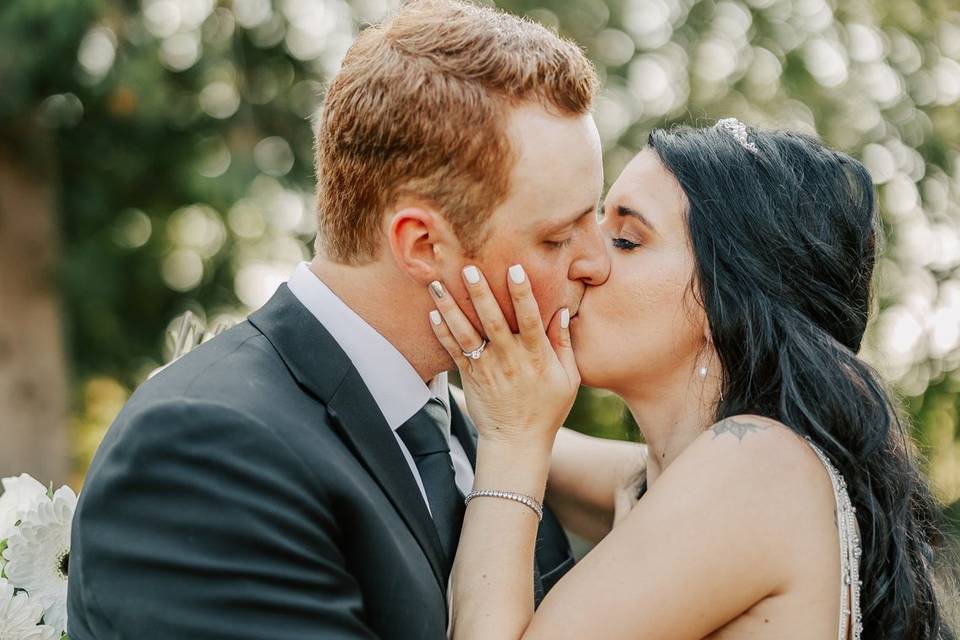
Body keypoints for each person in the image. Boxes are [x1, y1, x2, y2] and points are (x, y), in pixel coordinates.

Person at [66, 2, 610, 638]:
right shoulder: (206, 451)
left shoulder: (474, 418)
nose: (597, 262)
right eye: (556, 238)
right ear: (422, 245)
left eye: (594, 218)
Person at [428, 121, 957, 639]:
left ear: (724, 298)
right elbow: (524, 438)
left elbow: (521, 440)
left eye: (627, 240)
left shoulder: (757, 466)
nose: (585, 260)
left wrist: (512, 440)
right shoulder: (675, 472)